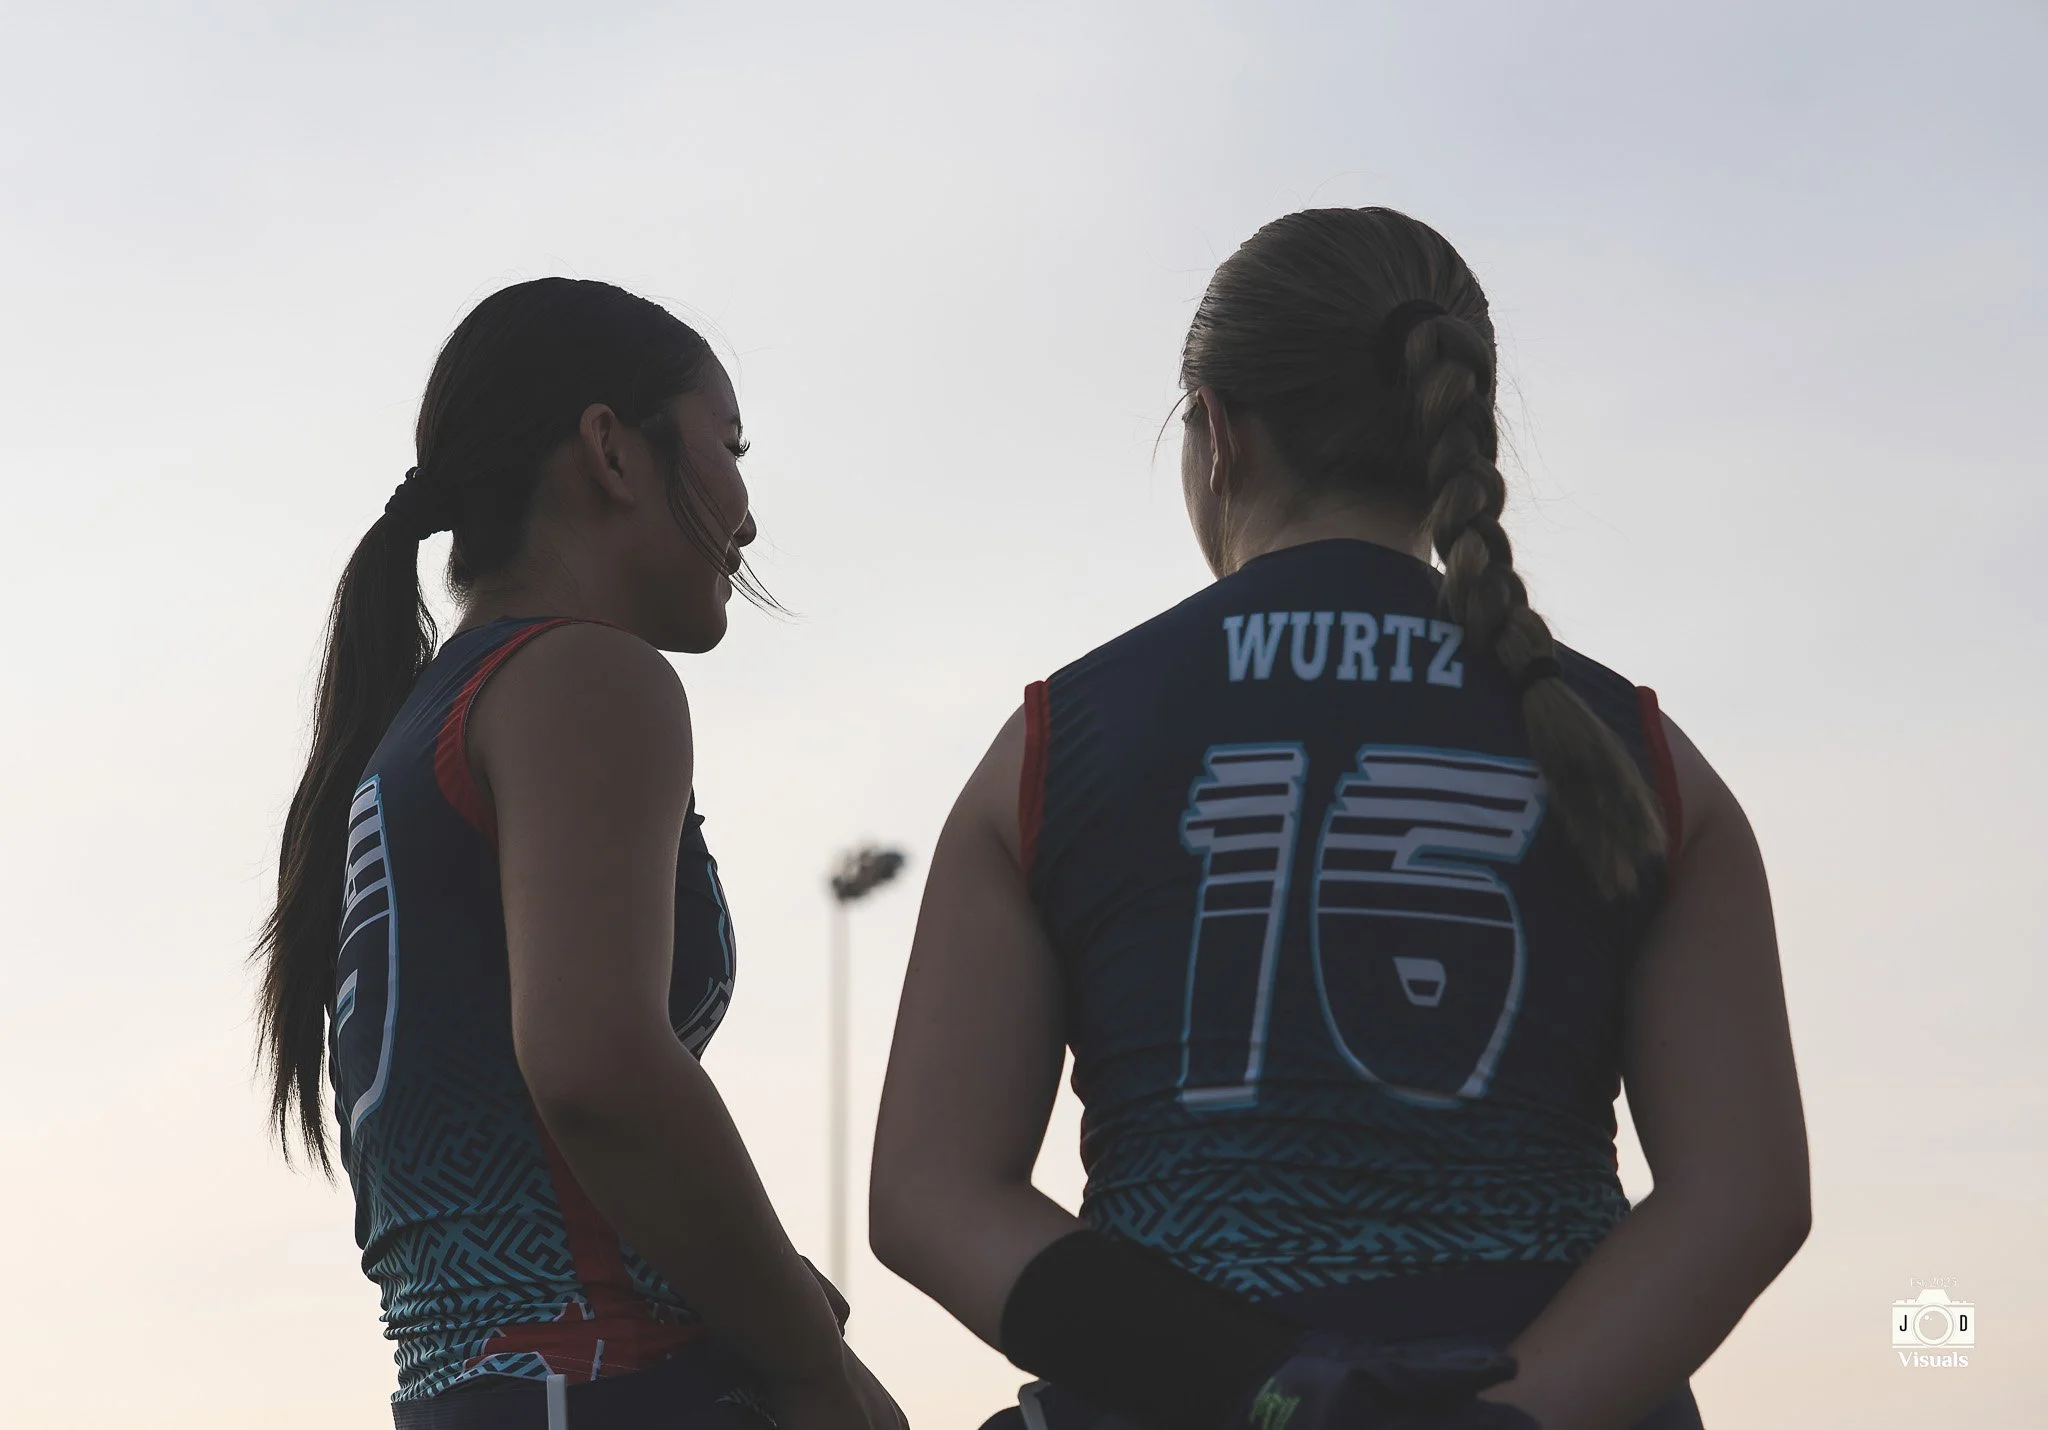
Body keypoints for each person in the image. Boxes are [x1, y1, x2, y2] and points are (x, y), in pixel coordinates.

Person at [869, 208, 1809, 1430]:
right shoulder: (1637, 754)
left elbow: (929, 1192)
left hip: (1180, 1398)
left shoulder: (1057, 742)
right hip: (1564, 1390)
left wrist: (1266, 1387)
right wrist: (1502, 1415)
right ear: (1449, 428)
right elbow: (1740, 1195)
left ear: (1216, 432)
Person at [255, 278, 904, 1430]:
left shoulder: (415, 731)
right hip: (613, 1386)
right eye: (728, 445)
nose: (745, 512)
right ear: (611, 449)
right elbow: (596, 1069)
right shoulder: (582, 677)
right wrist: (816, 1369)